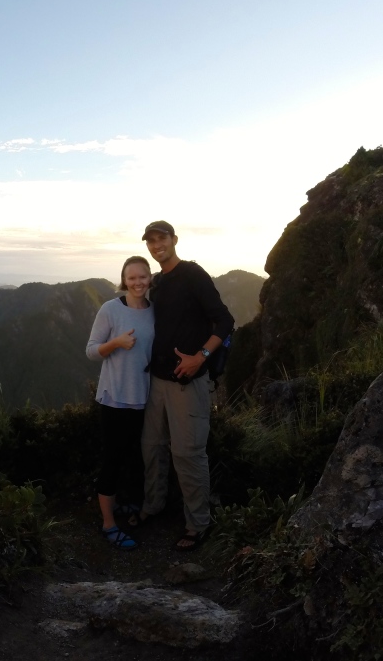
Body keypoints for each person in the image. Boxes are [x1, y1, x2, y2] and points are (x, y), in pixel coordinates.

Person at [133, 220, 234, 551]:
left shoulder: (192, 274)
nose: (156, 245)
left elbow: (225, 320)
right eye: (151, 241)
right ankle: (154, 505)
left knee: (187, 453)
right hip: (157, 382)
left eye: (161, 239)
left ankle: (198, 523)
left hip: (187, 383)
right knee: (152, 448)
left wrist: (200, 356)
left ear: (174, 240)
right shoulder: (159, 282)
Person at [85, 255, 155, 550]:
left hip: (143, 398)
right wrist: (116, 343)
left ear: (150, 278)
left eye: (143, 276)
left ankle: (124, 506)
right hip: (114, 398)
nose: (137, 282)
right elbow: (90, 351)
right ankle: (108, 524)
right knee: (112, 460)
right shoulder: (110, 310)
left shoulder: (154, 311)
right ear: (123, 280)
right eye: (132, 277)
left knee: (134, 458)